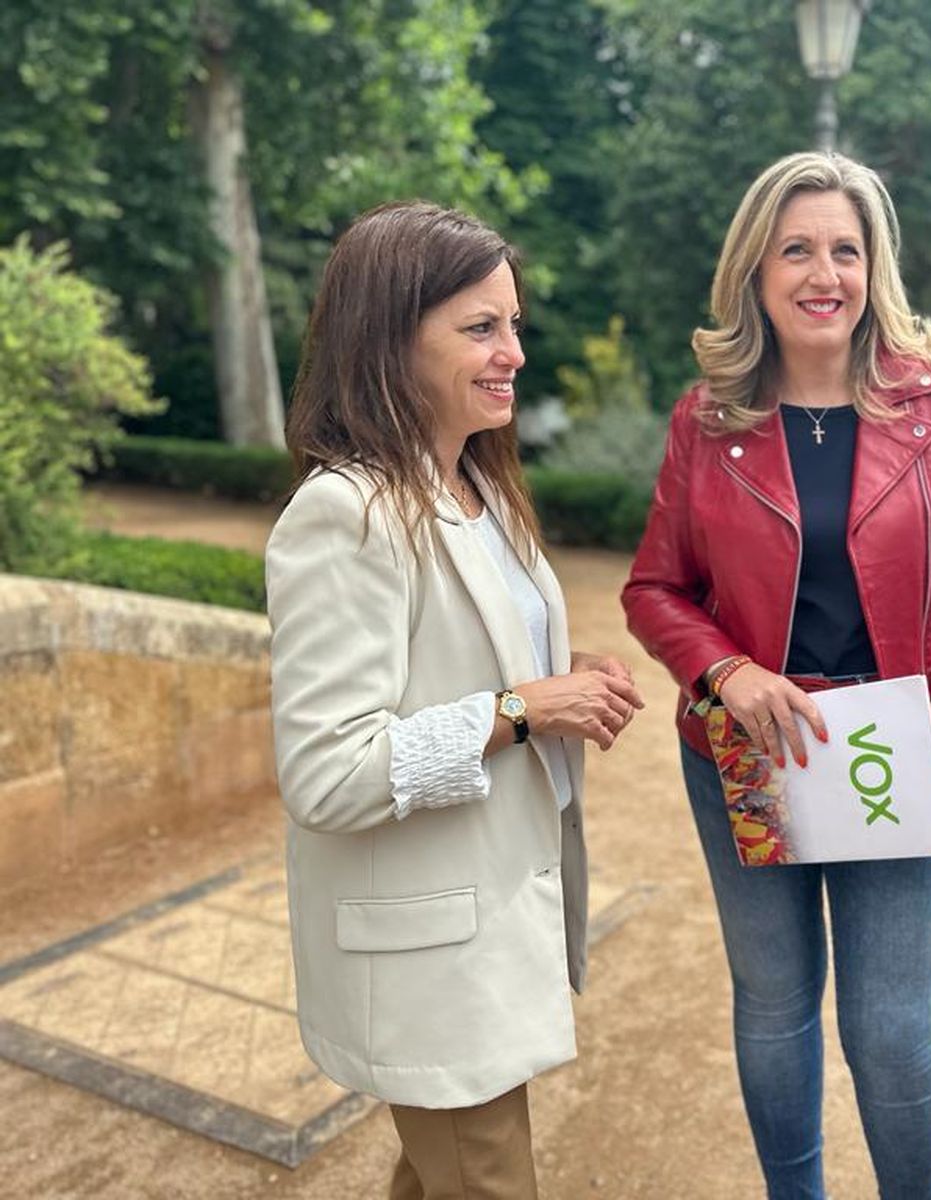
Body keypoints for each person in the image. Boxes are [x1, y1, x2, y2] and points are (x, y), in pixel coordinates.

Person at [622, 151, 931, 1199]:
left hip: (897, 746)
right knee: (775, 1003)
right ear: (755, 270)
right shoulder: (705, 421)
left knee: (891, 1030)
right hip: (749, 751)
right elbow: (655, 589)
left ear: (873, 265)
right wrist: (727, 675)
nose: (823, 273)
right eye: (796, 248)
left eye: (846, 249)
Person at [266, 200, 644, 1200]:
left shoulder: (475, 488)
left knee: (437, 1178)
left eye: (513, 324)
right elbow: (326, 773)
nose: (512, 350)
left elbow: (474, 663)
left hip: (479, 931)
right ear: (389, 341)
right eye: (480, 327)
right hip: (431, 953)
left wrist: (562, 675)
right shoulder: (342, 514)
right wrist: (523, 707)